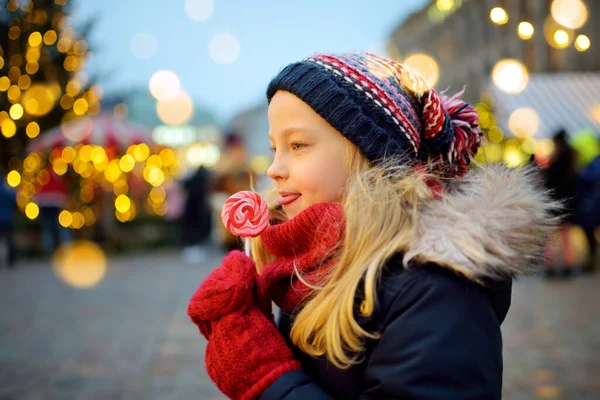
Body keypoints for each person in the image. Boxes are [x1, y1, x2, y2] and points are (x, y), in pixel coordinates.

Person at [187, 53, 559, 399]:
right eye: (274, 148)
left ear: (368, 154)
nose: (274, 169)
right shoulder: (312, 266)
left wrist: (268, 380)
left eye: (297, 145)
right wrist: (252, 327)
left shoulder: (435, 289)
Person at [542, 129, 578, 276]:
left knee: (551, 237)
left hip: (555, 201)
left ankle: (550, 266)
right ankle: (568, 265)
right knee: (567, 236)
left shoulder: (555, 160)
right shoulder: (572, 158)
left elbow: (548, 182)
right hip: (568, 202)